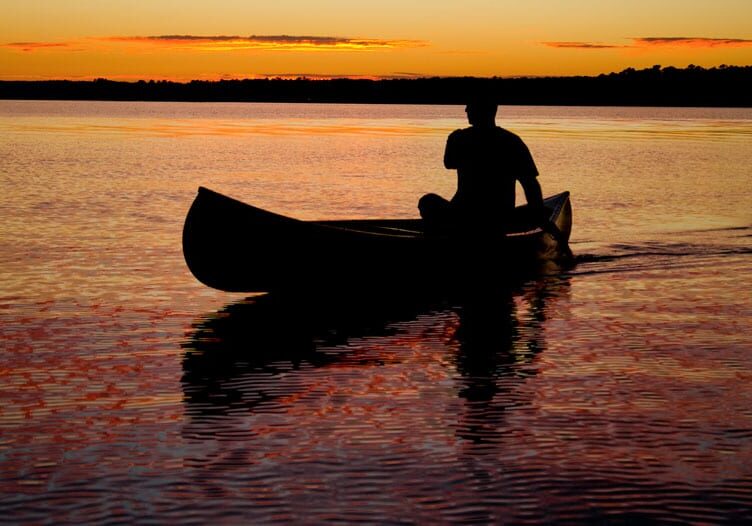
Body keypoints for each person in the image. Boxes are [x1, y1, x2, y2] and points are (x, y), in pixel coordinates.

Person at [419, 98, 545, 235]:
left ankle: (440, 235)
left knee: (428, 201)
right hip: (496, 215)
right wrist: (539, 214)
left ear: (486, 111)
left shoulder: (459, 138)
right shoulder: (512, 140)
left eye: (470, 106)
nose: (466, 110)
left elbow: (449, 163)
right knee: (428, 201)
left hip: (472, 214)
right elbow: (530, 183)